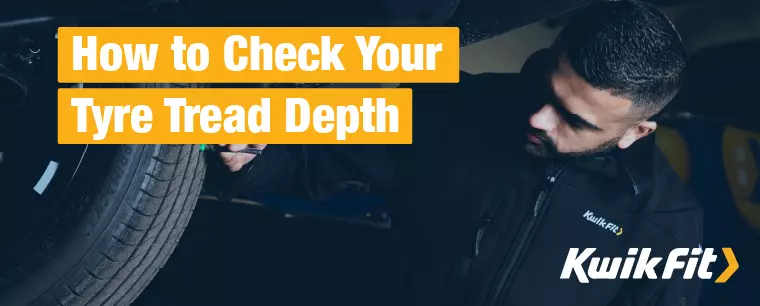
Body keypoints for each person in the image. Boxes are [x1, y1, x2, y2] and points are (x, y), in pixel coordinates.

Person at [218, 1, 702, 305]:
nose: (538, 118)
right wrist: (252, 154)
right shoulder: (455, 110)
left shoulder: (665, 224)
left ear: (635, 132)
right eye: (543, 84)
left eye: (573, 120)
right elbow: (308, 162)